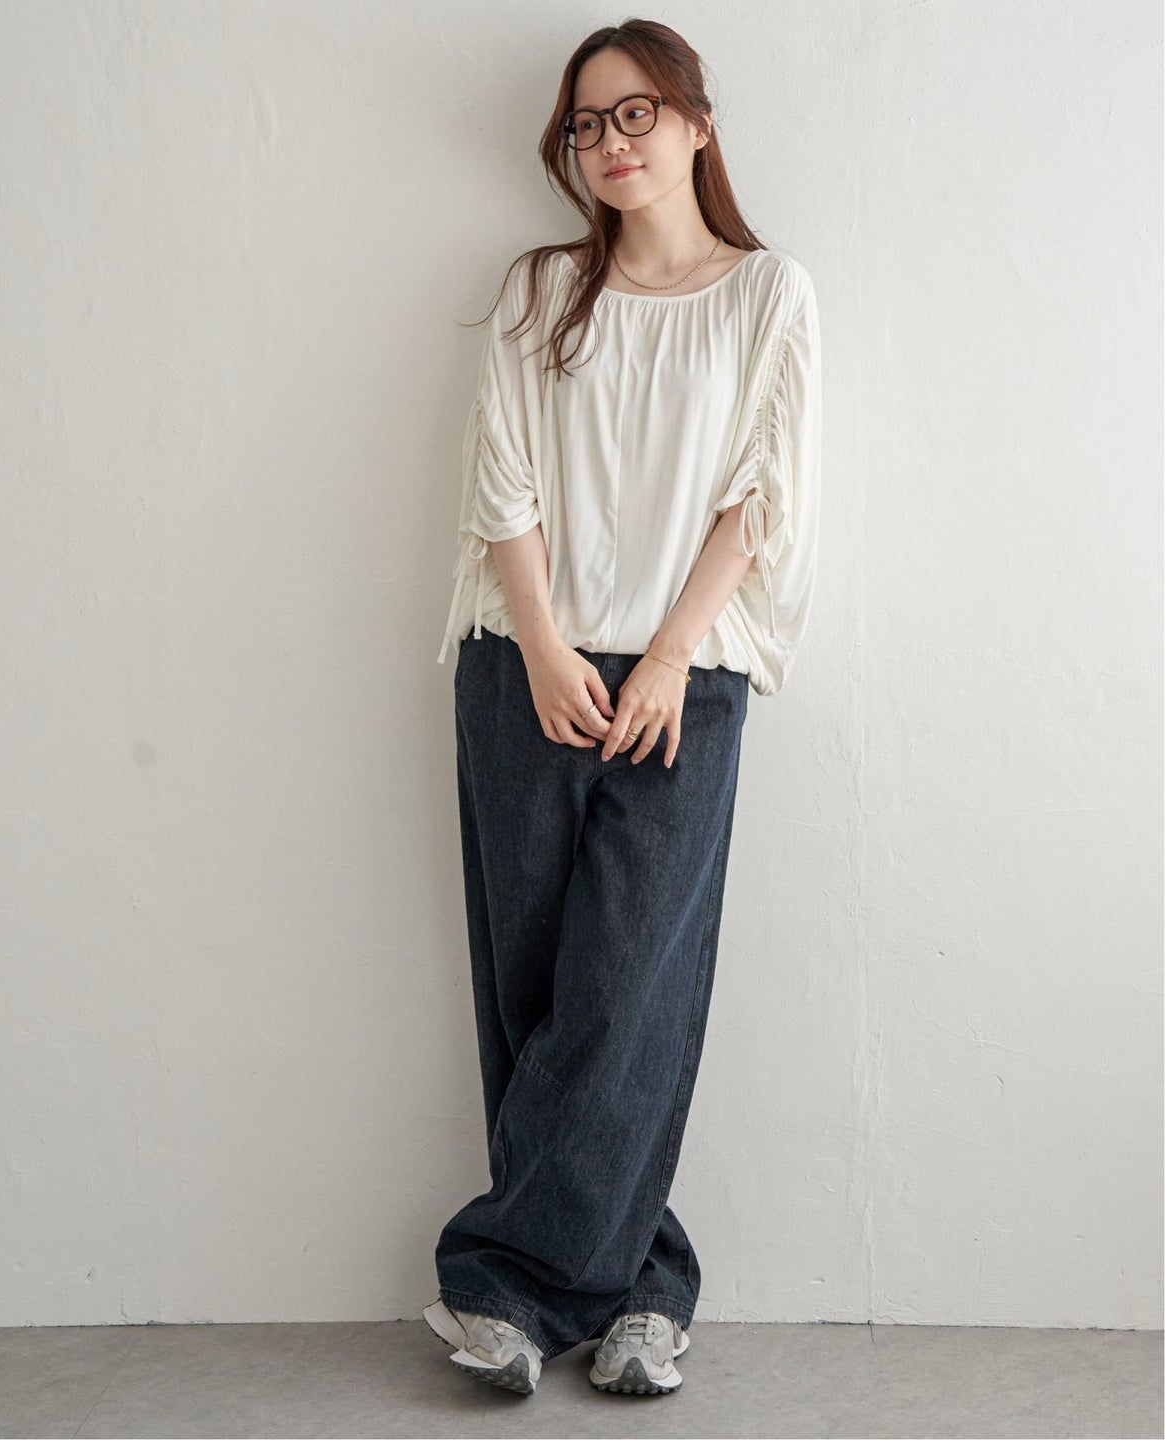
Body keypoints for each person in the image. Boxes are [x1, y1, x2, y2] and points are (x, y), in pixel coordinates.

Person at [422, 18, 822, 1398]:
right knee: (535, 996)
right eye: (587, 124)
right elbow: (501, 474)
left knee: (628, 994)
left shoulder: (767, 294)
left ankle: (500, 1284)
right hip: (520, 666)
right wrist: (542, 647)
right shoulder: (541, 289)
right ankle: (638, 1296)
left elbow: (763, 492)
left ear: (698, 121)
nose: (611, 142)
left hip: (681, 683)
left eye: (636, 111)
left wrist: (667, 657)